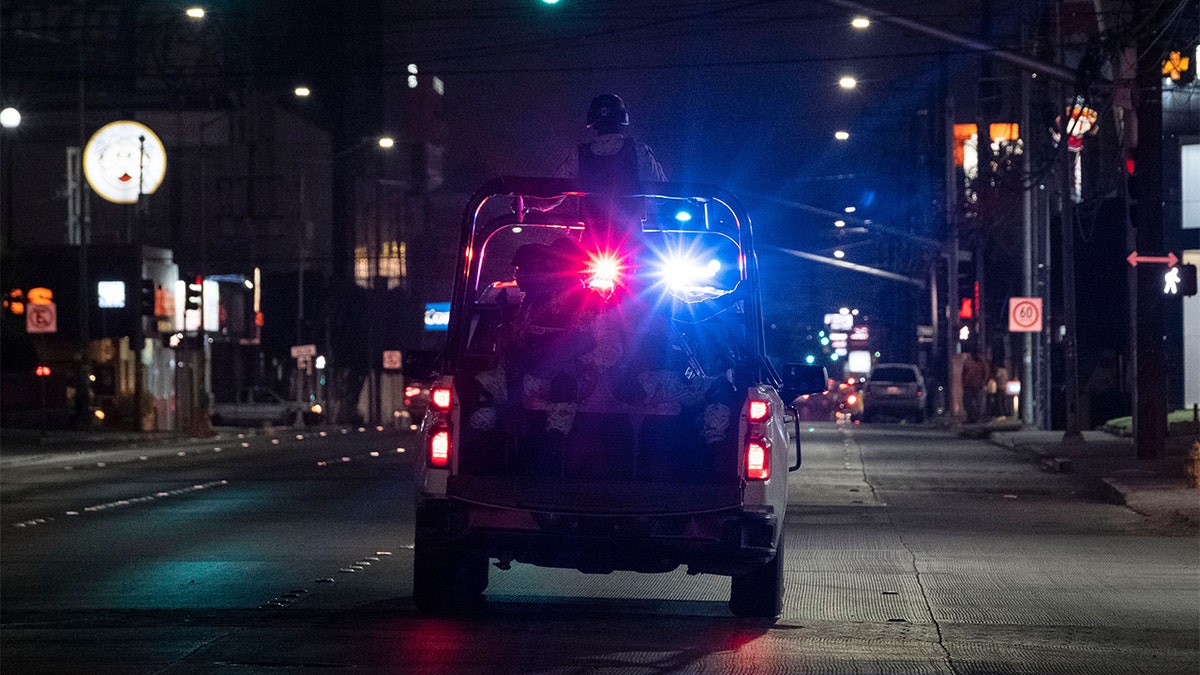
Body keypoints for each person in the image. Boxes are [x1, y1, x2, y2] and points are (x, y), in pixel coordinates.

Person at [553, 94, 667, 189]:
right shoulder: (640, 152)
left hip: (587, 216)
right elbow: (662, 195)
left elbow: (550, 195)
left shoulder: (579, 154)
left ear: (593, 124)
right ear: (623, 120)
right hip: (632, 217)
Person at [961, 348, 991, 424]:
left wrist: (983, 383)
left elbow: (986, 373)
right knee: (967, 403)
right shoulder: (968, 362)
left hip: (978, 385)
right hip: (969, 385)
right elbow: (964, 374)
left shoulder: (982, 363)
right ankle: (970, 417)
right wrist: (964, 383)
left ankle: (978, 418)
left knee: (979, 403)